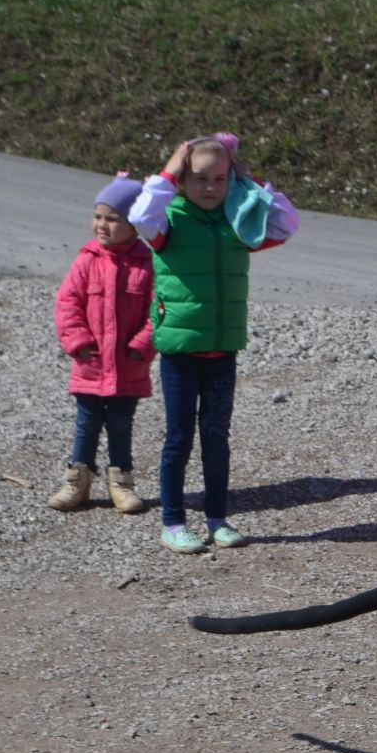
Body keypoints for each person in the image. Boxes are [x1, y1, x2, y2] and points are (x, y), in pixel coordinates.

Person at [128, 134, 300, 554]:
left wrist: (248, 180)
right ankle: (172, 522)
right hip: (181, 351)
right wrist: (169, 169)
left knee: (216, 436)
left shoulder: (239, 218)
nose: (211, 188)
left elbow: (286, 223)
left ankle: (217, 519)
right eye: (200, 178)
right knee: (179, 438)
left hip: (223, 349)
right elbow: (138, 214)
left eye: (220, 178)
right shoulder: (166, 220)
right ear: (183, 180)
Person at [50, 173, 155, 515]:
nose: (102, 225)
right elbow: (67, 302)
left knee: (121, 424)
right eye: (98, 216)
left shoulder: (147, 264)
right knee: (87, 422)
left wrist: (143, 345)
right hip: (90, 364)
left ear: (134, 223)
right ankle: (76, 480)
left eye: (113, 218)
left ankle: (121, 483)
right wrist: (78, 341)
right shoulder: (87, 259)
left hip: (128, 365)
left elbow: (160, 308)